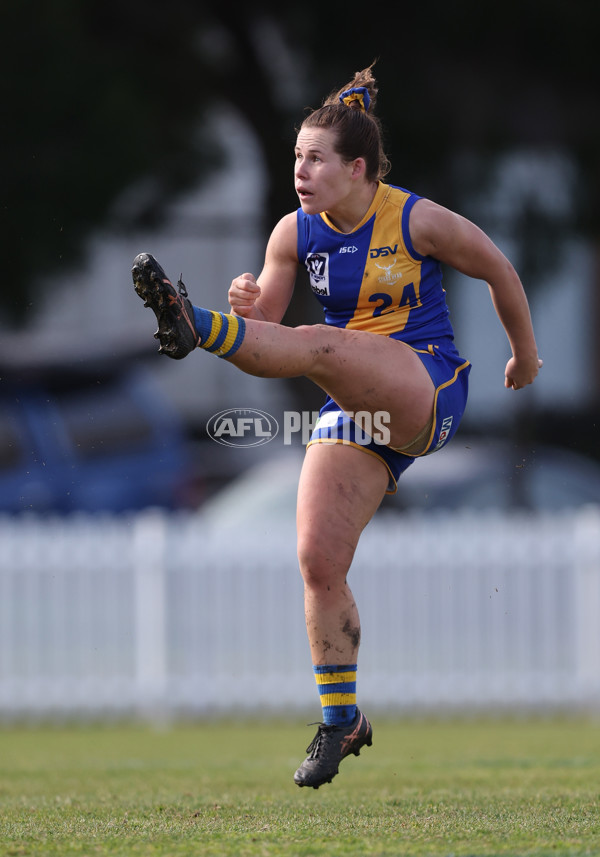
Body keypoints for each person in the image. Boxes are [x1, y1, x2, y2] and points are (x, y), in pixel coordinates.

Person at [131, 64, 542, 790]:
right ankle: (341, 718)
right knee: (318, 559)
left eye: (315, 158)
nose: (301, 170)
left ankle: (192, 324)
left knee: (323, 342)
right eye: (295, 157)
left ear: (357, 169)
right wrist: (247, 304)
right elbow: (267, 334)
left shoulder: (415, 218)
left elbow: (500, 269)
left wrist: (525, 356)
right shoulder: (294, 231)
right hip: (358, 406)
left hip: (427, 386)